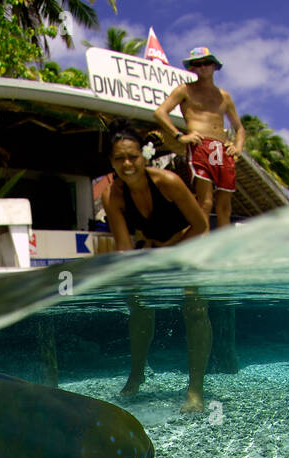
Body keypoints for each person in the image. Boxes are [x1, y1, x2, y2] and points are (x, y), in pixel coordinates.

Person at [101, 121, 210, 412]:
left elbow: (201, 224)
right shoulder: (112, 196)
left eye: (132, 156)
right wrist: (134, 276)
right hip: (152, 252)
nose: (127, 164)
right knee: (137, 303)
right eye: (118, 158)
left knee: (194, 305)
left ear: (143, 155)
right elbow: (124, 248)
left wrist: (168, 251)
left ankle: (195, 390)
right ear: (110, 161)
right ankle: (136, 374)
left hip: (190, 245)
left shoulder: (169, 182)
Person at [154, 47, 244, 229]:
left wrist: (238, 147)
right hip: (200, 146)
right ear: (192, 68)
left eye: (206, 63)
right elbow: (160, 112)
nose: (202, 67)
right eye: (197, 64)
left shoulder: (224, 96)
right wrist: (179, 136)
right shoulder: (184, 90)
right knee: (206, 201)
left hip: (223, 148)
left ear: (214, 66)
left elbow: (239, 128)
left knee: (224, 206)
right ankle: (202, 243)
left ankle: (224, 248)